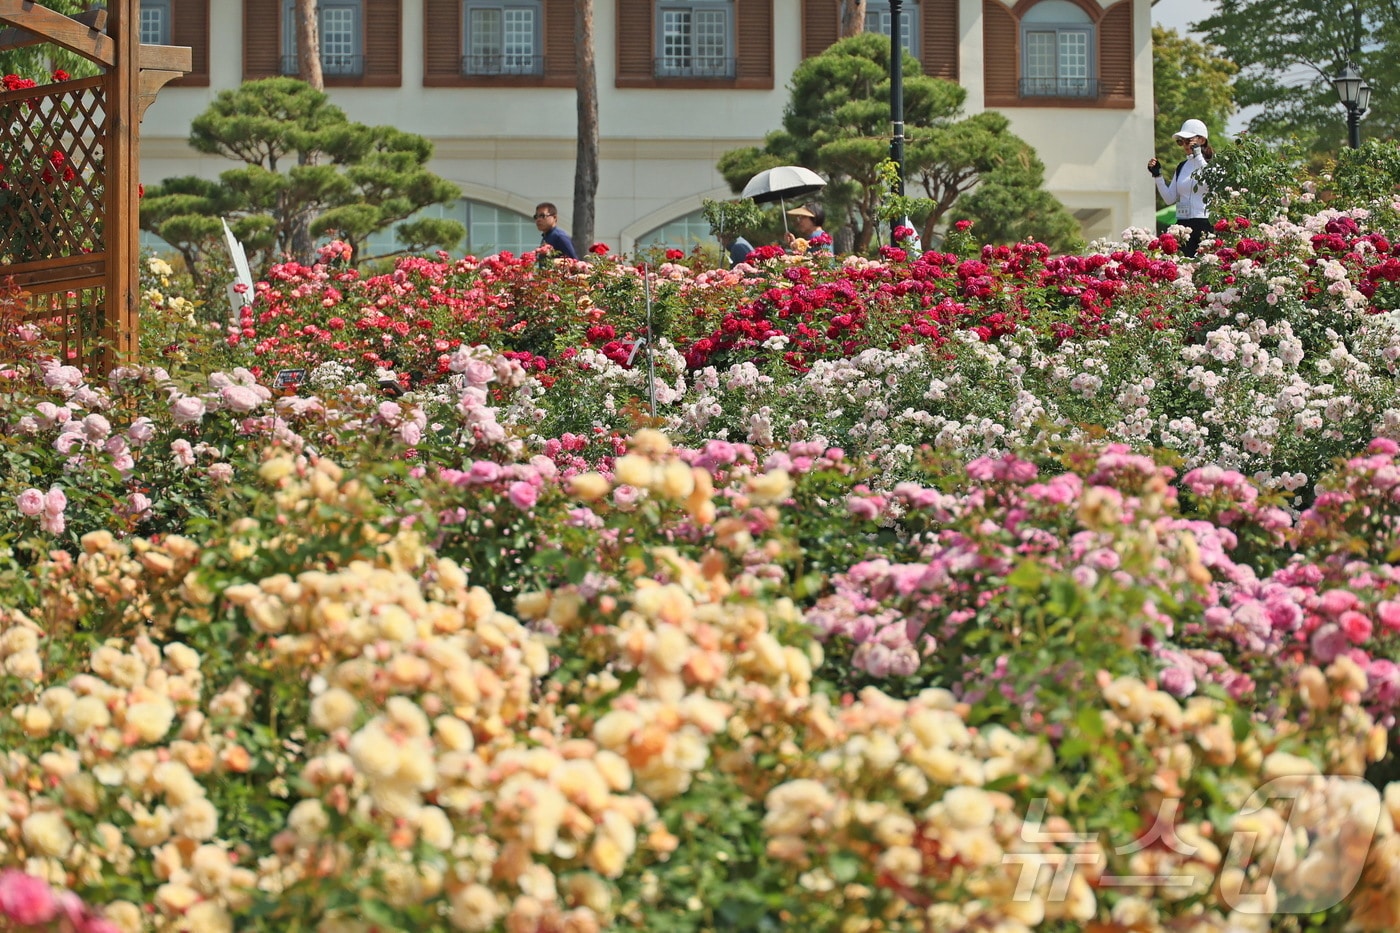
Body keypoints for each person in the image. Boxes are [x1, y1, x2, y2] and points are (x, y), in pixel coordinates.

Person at [1148, 119, 1214, 258]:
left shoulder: (1213, 165)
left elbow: (1211, 181)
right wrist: (1157, 176)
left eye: (1188, 140)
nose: (1184, 145)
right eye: (1181, 141)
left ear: (1201, 140)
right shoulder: (1182, 166)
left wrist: (1198, 156)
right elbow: (1169, 198)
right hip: (1183, 226)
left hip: (1205, 223)